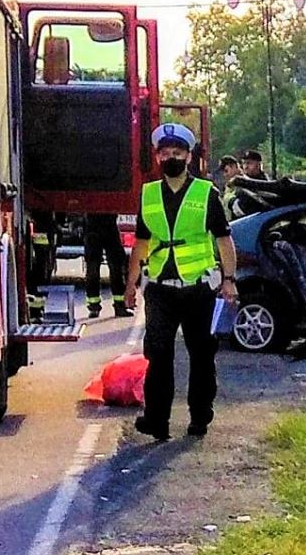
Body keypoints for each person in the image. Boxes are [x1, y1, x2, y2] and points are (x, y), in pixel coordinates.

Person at [124, 123, 238, 442]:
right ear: (157, 157)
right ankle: (156, 420)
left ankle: (199, 416)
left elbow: (224, 240)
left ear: (189, 156)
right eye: (165, 153)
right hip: (160, 289)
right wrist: (131, 285)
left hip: (198, 289)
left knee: (201, 355)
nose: (171, 158)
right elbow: (142, 243)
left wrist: (229, 279)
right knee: (158, 354)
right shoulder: (149, 195)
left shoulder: (205, 193)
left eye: (177, 153)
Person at [84, 212, 133, 318]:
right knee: (96, 268)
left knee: (115, 267)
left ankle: (101, 306)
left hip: (103, 226)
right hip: (98, 227)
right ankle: (97, 306)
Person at [218, 155, 243, 221]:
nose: (224, 175)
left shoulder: (245, 184)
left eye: (226, 171)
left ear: (235, 166)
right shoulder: (227, 186)